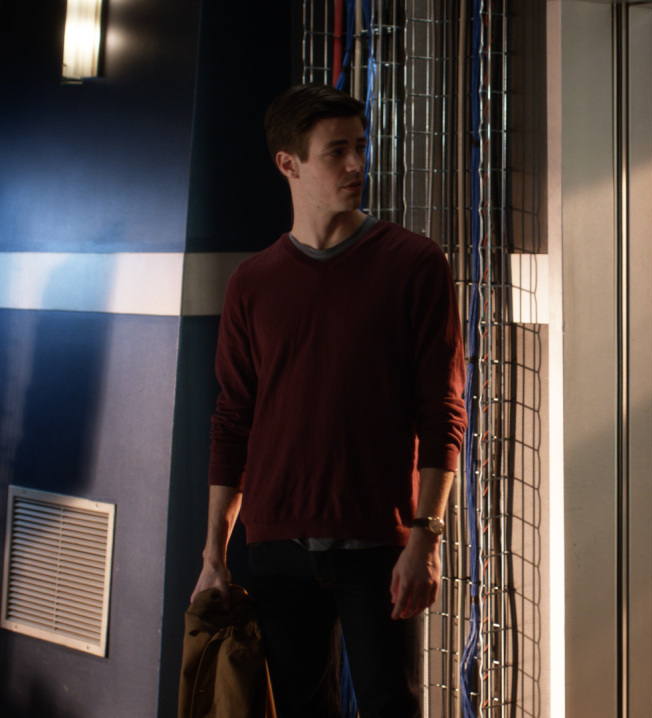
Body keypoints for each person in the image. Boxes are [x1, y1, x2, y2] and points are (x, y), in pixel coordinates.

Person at [190, 84, 467, 718]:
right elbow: (233, 421)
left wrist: (425, 537)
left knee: (391, 707)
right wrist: (213, 557)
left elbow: (443, 412)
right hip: (275, 549)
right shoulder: (252, 282)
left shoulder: (414, 263)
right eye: (336, 151)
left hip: (380, 546)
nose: (356, 165)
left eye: (360, 148)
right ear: (288, 163)